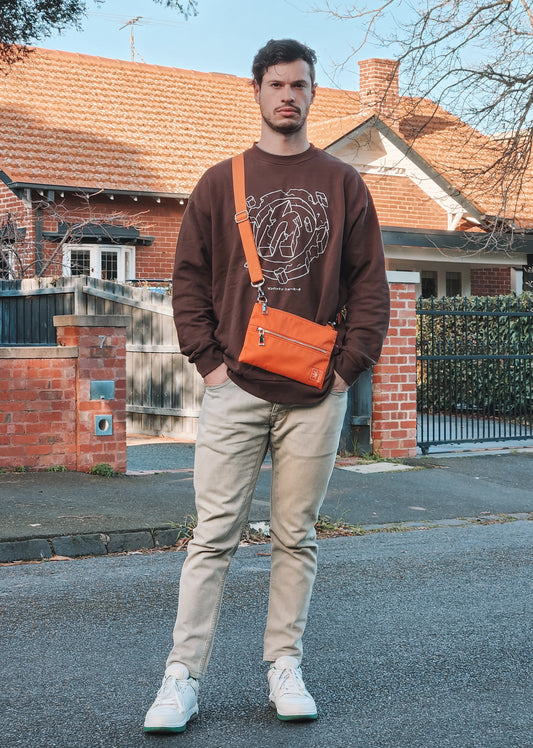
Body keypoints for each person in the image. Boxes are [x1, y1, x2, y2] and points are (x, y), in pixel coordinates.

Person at [144, 38, 390, 733]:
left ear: (313, 95)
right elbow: (186, 279)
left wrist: (345, 371)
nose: (288, 95)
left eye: (300, 85)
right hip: (235, 389)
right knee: (212, 536)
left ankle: (284, 665)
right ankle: (181, 678)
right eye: (276, 84)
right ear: (256, 92)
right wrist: (210, 365)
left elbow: (369, 289)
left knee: (296, 536)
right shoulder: (220, 183)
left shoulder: (345, 185)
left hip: (316, 392)